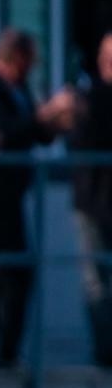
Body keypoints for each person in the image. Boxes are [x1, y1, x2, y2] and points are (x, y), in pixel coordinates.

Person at [0, 29, 74, 368]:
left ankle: (6, 351)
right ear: (15, 57)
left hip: (13, 195)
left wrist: (54, 123)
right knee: (1, 275)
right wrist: (40, 117)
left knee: (19, 272)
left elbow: (31, 132)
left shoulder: (18, 88)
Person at [71, 31, 112, 368]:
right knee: (97, 281)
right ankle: (105, 354)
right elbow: (78, 138)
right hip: (93, 205)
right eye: (105, 55)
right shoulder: (88, 98)